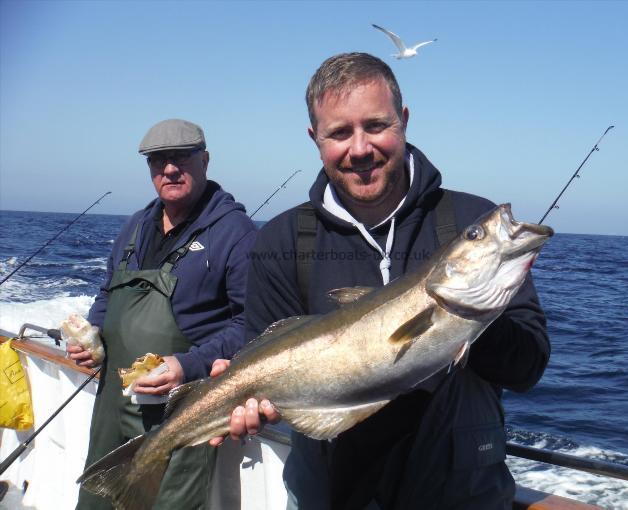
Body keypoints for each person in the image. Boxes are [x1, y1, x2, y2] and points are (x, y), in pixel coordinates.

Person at [214, 53, 550, 509]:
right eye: (339, 133)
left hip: (460, 494)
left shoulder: (470, 218)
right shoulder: (283, 238)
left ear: (404, 120)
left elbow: (527, 368)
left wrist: (473, 316)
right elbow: (265, 348)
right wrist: (250, 399)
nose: (360, 149)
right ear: (315, 139)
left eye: (375, 125)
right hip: (329, 494)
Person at [68, 118, 257, 510]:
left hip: (181, 410)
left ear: (205, 160)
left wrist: (188, 364)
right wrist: (93, 336)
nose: (169, 169)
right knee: (96, 500)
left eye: (181, 158)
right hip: (112, 403)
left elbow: (250, 325)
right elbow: (108, 293)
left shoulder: (236, 233)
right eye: (158, 160)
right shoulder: (135, 226)